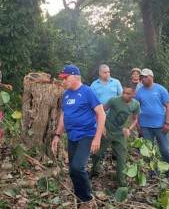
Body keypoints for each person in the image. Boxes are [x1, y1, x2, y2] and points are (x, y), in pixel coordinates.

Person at [51, 64, 106, 208]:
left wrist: (97, 138)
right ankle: (79, 196)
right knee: (72, 170)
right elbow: (64, 115)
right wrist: (57, 135)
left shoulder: (87, 92)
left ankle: (88, 199)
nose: (63, 81)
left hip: (86, 135)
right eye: (62, 78)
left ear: (75, 76)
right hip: (72, 137)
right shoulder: (66, 94)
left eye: (65, 78)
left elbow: (101, 114)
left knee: (77, 167)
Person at [90, 83, 140, 187]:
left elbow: (135, 119)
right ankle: (94, 171)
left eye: (128, 93)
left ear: (134, 94)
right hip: (107, 131)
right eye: (124, 92)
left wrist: (129, 129)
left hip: (120, 134)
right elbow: (100, 111)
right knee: (97, 153)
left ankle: (121, 182)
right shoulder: (114, 100)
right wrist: (102, 126)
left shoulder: (135, 104)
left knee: (122, 157)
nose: (124, 95)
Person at [135, 68, 169, 171]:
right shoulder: (139, 92)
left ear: (151, 77)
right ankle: (152, 171)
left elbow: (168, 107)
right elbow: (136, 109)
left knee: (164, 149)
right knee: (148, 150)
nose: (143, 79)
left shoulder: (161, 89)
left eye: (145, 77)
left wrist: (167, 122)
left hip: (160, 125)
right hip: (145, 126)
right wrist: (138, 125)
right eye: (142, 77)